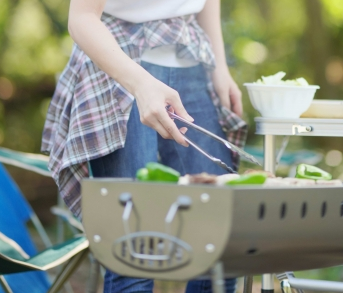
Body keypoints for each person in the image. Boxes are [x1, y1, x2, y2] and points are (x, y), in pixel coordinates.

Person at [41, 0, 248, 292]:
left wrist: (220, 67)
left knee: (221, 251)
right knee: (134, 254)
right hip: (118, 63)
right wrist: (141, 85)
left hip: (193, 59)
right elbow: (82, 18)